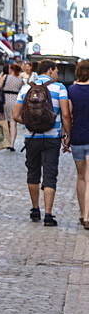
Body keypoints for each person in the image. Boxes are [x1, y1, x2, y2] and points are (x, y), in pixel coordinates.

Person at [16, 59, 71, 227]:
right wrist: (67, 134)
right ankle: (48, 214)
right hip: (52, 138)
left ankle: (35, 209)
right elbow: (66, 114)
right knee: (50, 174)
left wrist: (29, 124)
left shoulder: (26, 88)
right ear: (50, 70)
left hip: (31, 137)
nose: (57, 74)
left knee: (33, 173)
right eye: (56, 71)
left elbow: (15, 115)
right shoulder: (59, 88)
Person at [67, 59, 89, 230]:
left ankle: (83, 214)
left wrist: (66, 136)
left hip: (77, 137)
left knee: (81, 177)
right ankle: (88, 215)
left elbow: (68, 116)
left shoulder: (71, 90)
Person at [0, 63, 24, 151]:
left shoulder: (5, 77)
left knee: (5, 122)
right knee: (13, 123)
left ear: (11, 69)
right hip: (16, 101)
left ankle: (6, 142)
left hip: (4, 100)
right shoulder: (20, 80)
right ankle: (12, 144)